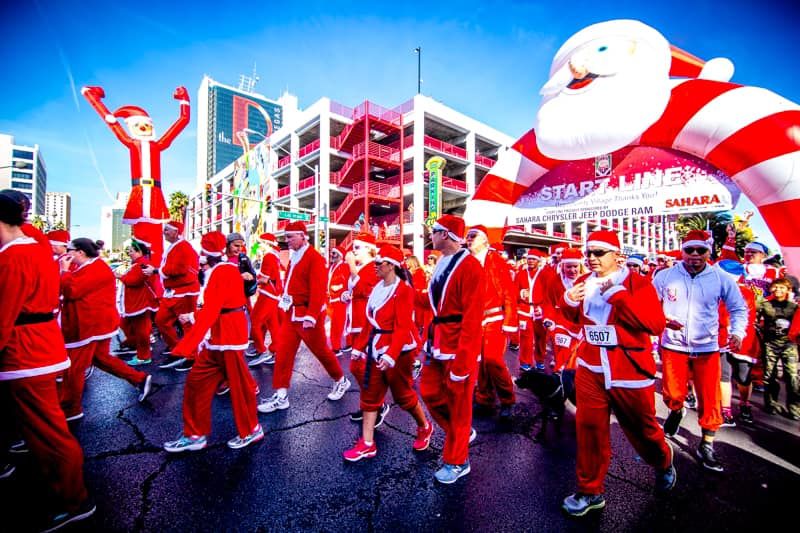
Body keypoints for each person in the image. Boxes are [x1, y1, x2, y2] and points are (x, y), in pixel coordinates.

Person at [560, 230, 674, 517]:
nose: (591, 258)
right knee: (588, 429)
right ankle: (590, 490)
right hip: (590, 367)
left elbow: (655, 324)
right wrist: (569, 301)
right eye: (589, 253)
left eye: (599, 253)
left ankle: (663, 461)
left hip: (629, 369)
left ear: (616, 255)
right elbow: (575, 318)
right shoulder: (583, 282)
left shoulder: (637, 282)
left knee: (642, 429)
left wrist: (621, 297)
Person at [0, 190, 96, 531]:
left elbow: (4, 315)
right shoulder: (36, 250)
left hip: (27, 353)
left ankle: (73, 499)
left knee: (49, 434)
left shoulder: (15, 256)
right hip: (39, 347)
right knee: (43, 430)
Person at [653, 230, 747, 473]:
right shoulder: (665, 276)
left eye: (700, 250)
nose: (694, 255)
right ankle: (676, 408)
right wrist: (663, 320)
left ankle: (706, 444)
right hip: (673, 345)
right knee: (672, 393)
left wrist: (738, 333)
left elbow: (739, 309)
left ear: (709, 251)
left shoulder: (721, 278)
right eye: (689, 250)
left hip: (707, 347)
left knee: (710, 398)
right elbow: (650, 306)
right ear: (682, 251)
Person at [163, 231, 263, 452]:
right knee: (196, 383)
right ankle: (194, 434)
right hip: (218, 338)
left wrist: (188, 338)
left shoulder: (223, 271)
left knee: (240, 387)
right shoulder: (221, 270)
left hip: (228, 337)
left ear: (207, 254)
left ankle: (252, 429)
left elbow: (212, 308)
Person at [343, 246, 432, 461]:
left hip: (399, 351)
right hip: (376, 346)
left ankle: (424, 426)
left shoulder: (404, 290)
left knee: (403, 396)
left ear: (390, 265)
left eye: (378, 263)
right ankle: (367, 443)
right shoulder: (377, 288)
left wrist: (391, 355)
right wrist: (358, 347)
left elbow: (402, 327)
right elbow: (369, 322)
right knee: (370, 392)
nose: (374, 266)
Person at [418, 215, 484, 484]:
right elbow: (434, 304)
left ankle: (458, 460)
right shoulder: (443, 262)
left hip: (458, 347)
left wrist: (464, 363)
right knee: (429, 392)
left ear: (445, 235)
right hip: (437, 342)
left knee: (459, 406)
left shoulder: (471, 267)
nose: (430, 235)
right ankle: (460, 433)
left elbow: (472, 318)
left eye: (433, 231)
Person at [257, 221, 350, 413]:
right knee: (283, 353)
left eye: (290, 237)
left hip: (308, 315)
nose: (287, 240)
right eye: (286, 237)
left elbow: (317, 290)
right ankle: (281, 395)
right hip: (293, 312)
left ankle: (341, 380)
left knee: (322, 352)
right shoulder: (295, 255)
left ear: (302, 235)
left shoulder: (314, 258)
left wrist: (312, 316)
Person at [59, 238, 153, 420]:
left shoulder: (95, 268)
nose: (66, 253)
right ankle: (139, 379)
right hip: (94, 325)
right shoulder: (90, 267)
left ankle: (71, 408)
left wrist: (64, 271)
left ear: (81, 252)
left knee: (75, 368)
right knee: (101, 359)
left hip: (89, 326)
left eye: (69, 249)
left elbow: (71, 291)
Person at [466, 225, 518, 421]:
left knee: (493, 360)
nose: (469, 239)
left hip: (494, 317)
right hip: (474, 319)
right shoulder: (467, 261)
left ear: (485, 241)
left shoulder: (496, 260)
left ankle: (507, 400)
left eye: (474, 236)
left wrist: (510, 320)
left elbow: (508, 291)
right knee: (478, 362)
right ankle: (484, 398)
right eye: (468, 236)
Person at [145, 220, 200, 371]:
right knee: (161, 320)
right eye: (164, 230)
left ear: (176, 232)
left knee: (187, 324)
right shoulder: (175, 247)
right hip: (174, 292)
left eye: (167, 230)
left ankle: (192, 356)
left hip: (185, 292)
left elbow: (179, 269)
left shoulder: (183, 247)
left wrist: (156, 271)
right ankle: (178, 349)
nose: (164, 232)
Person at [759, 278, 800, 420]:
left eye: (782, 288)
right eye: (775, 287)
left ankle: (794, 408)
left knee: (792, 376)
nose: (778, 290)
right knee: (770, 375)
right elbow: (753, 316)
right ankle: (771, 403)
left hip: (789, 344)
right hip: (770, 343)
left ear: (788, 290)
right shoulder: (765, 304)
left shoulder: (794, 307)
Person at [116, 238, 160, 366]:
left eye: (131, 251)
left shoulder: (143, 264)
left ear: (139, 252)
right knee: (130, 327)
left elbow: (134, 281)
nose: (129, 253)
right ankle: (138, 349)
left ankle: (144, 355)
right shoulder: (139, 263)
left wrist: (120, 277)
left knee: (142, 331)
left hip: (141, 303)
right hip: (136, 303)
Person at [248, 233, 284, 366]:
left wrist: (251, 278)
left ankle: (262, 350)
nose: (258, 246)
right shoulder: (275, 257)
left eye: (260, 243)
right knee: (272, 325)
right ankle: (276, 350)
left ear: (267, 244)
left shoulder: (268, 257)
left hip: (267, 295)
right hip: (273, 295)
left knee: (255, 320)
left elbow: (264, 279)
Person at [516, 249, 546, 371]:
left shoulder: (545, 273)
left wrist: (543, 307)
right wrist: (520, 293)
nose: (531, 261)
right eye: (529, 258)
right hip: (524, 309)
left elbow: (549, 293)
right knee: (525, 337)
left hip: (539, 309)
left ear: (538, 261)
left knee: (541, 337)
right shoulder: (521, 273)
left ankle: (540, 360)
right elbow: (513, 290)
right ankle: (525, 362)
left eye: (533, 259)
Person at [326, 246, 350, 357]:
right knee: (334, 324)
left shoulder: (344, 267)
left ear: (340, 256)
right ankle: (338, 345)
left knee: (338, 325)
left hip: (339, 300)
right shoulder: (331, 267)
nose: (332, 255)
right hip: (330, 300)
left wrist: (339, 291)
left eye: (334, 254)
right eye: (331, 253)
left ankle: (336, 348)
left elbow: (345, 283)